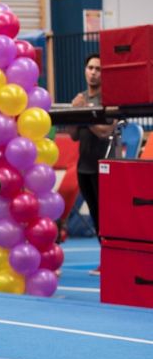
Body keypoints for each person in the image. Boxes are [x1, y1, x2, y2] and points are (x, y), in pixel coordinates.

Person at [69, 53, 114, 276]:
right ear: (85, 70)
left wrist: (85, 111)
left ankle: (112, 259)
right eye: (90, 68)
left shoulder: (109, 99)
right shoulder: (81, 97)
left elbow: (106, 133)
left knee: (108, 217)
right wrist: (74, 111)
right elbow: (73, 135)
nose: (94, 73)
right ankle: (104, 260)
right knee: (96, 216)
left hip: (104, 168)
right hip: (83, 167)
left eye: (98, 69)